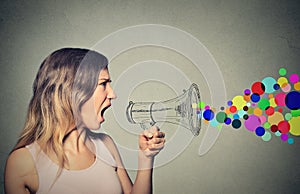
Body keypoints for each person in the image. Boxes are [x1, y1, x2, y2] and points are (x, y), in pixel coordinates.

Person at [4, 48, 165, 194]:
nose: (112, 94)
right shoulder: (22, 162)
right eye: (103, 84)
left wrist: (146, 158)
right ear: (72, 91)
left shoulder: (106, 145)